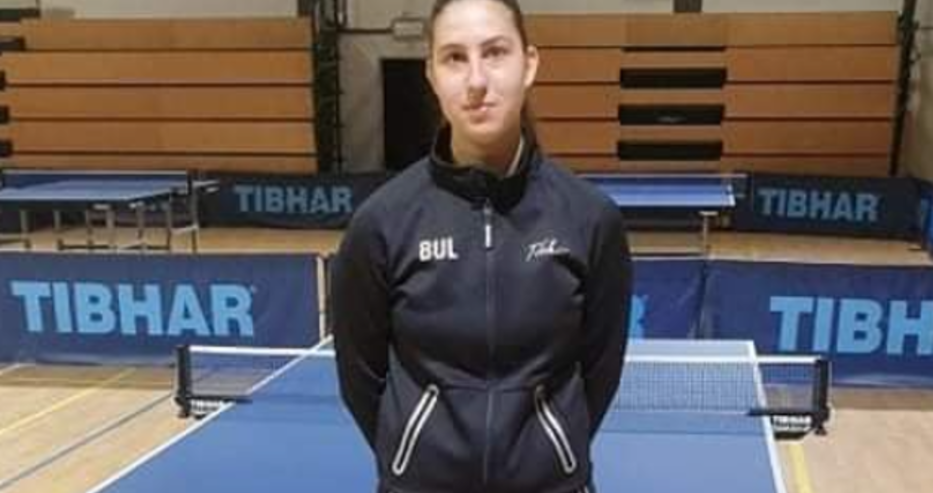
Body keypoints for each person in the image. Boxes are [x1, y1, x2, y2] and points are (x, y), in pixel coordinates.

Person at [332, 0, 631, 491]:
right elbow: (360, 378)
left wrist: (551, 450)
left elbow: (600, 370)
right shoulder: (380, 223)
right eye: (454, 57)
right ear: (431, 74)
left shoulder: (591, 219)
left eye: (494, 52)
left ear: (528, 64)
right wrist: (416, 455)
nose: (476, 80)